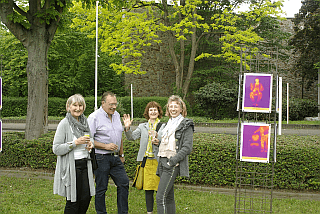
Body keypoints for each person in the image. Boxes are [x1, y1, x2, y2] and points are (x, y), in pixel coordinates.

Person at [53, 94, 95, 214]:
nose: (78, 108)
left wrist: (91, 144)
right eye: (74, 105)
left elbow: (90, 138)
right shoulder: (64, 124)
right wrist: (75, 143)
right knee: (73, 201)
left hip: (85, 165)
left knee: (86, 197)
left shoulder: (84, 122)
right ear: (68, 107)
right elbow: (56, 148)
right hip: (72, 167)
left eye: (80, 105)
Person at [88, 91, 129, 214]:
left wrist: (121, 154)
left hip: (115, 158)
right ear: (103, 103)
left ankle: (123, 212)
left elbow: (120, 136)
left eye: (115, 104)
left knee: (124, 183)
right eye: (111, 104)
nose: (114, 107)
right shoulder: (94, 117)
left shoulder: (116, 115)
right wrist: (105, 146)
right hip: (101, 157)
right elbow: (88, 140)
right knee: (101, 188)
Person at [122, 101, 165, 214]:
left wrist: (158, 142)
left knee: (159, 189)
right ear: (147, 112)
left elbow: (167, 143)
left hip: (158, 161)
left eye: (155, 109)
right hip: (146, 161)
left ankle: (162, 210)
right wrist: (127, 128)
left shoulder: (164, 126)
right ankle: (149, 212)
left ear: (159, 112)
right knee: (148, 189)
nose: (153, 111)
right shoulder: (142, 126)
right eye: (151, 110)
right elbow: (131, 137)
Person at [156, 95, 194, 214]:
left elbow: (187, 147)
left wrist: (173, 161)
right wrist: (158, 143)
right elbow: (167, 143)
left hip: (171, 164)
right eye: (170, 106)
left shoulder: (186, 124)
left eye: (176, 106)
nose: (173, 109)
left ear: (182, 109)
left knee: (160, 197)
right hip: (162, 162)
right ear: (168, 109)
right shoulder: (167, 124)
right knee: (168, 197)